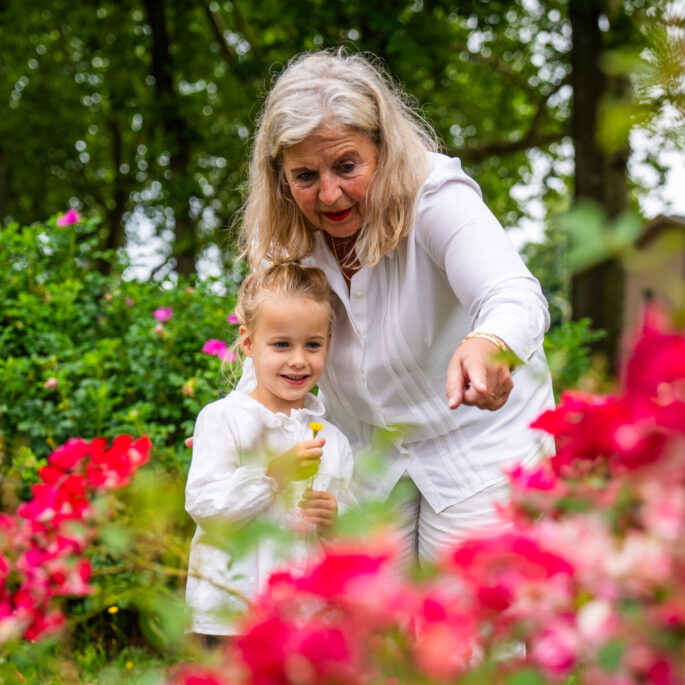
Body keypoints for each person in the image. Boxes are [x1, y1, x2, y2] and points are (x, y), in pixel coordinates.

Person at [235, 48, 556, 567]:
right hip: (372, 466)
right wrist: (239, 425)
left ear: (382, 149)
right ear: (279, 176)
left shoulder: (434, 195)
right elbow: (268, 348)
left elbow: (513, 294)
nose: (330, 194)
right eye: (305, 176)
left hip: (481, 448)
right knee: (378, 628)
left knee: (467, 629)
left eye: (346, 165)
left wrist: (490, 343)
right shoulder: (284, 239)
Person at [185, 262, 356, 637]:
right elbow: (205, 507)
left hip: (305, 618)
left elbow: (352, 530)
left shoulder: (333, 439)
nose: (298, 360)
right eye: (281, 344)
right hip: (231, 616)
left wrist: (336, 516)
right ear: (247, 342)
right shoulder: (223, 419)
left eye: (312, 345)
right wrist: (272, 477)